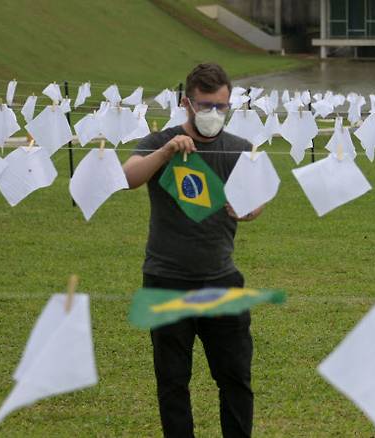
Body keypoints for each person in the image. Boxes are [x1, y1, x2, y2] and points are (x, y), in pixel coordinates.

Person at [123, 63, 263, 438]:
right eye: (206, 106)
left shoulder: (238, 147)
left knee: (235, 378)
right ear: (187, 102)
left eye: (221, 107)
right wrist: (167, 152)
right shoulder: (161, 141)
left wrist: (250, 209)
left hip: (221, 279)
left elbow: (255, 198)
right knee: (172, 381)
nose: (214, 115)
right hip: (166, 279)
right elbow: (127, 177)